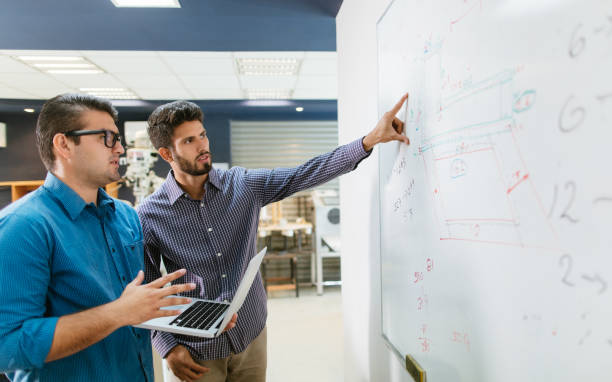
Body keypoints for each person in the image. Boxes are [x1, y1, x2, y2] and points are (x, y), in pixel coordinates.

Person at [137, 94, 410, 382]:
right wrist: (167, 347)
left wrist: (368, 141)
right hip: (195, 349)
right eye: (189, 141)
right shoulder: (149, 215)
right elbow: (145, 288)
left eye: (202, 135)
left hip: (250, 333)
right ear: (167, 154)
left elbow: (305, 173)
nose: (203, 145)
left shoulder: (242, 185)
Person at [0, 93, 209, 381]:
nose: (120, 149)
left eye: (118, 138)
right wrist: (117, 313)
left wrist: (203, 318)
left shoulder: (125, 216)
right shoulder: (23, 227)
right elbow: (6, 346)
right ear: (63, 144)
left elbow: (134, 305)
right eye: (107, 138)